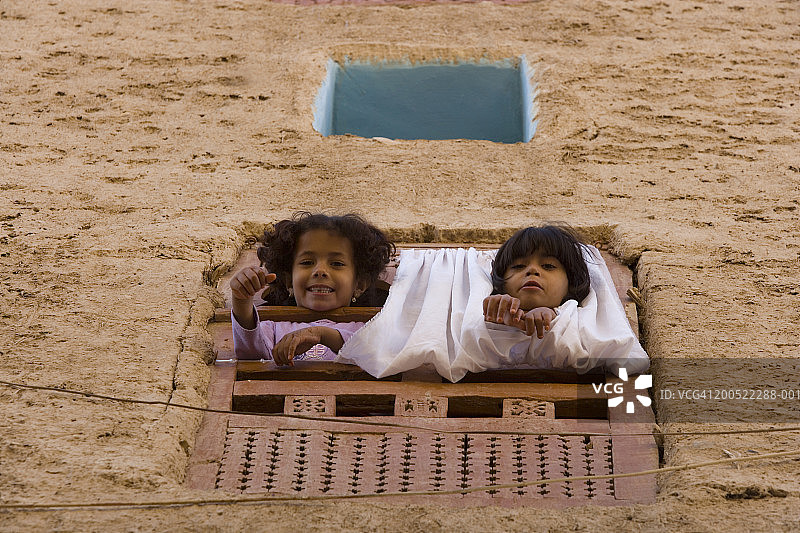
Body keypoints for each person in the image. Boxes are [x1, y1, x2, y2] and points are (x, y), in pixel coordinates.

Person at [230, 212, 394, 366]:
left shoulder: (369, 327)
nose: (320, 271)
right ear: (289, 282)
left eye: (336, 264)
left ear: (359, 285)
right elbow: (251, 355)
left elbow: (381, 355)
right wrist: (241, 300)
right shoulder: (274, 326)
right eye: (307, 262)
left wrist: (323, 335)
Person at [483, 225, 590, 339]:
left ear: (570, 283)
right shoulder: (485, 315)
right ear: (501, 283)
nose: (532, 270)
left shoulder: (581, 323)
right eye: (519, 266)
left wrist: (555, 317)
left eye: (548, 266)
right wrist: (495, 313)